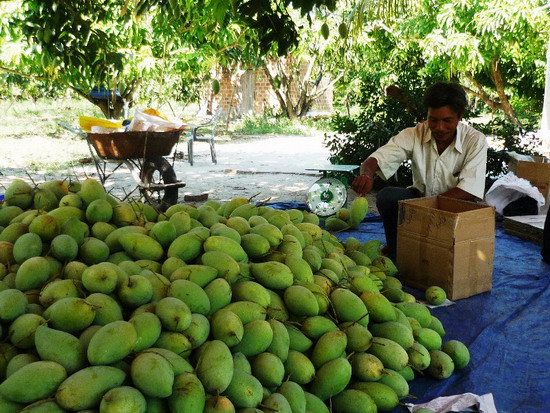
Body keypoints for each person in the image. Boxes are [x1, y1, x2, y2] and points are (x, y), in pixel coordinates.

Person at [351, 82, 488, 258]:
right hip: (419, 200)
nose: (439, 127)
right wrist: (366, 174)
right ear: (427, 115)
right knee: (388, 197)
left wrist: (427, 210)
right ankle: (396, 250)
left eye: (447, 121)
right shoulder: (414, 134)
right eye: (433, 120)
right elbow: (378, 158)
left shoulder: (475, 140)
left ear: (459, 116)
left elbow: (469, 189)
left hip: (455, 206)